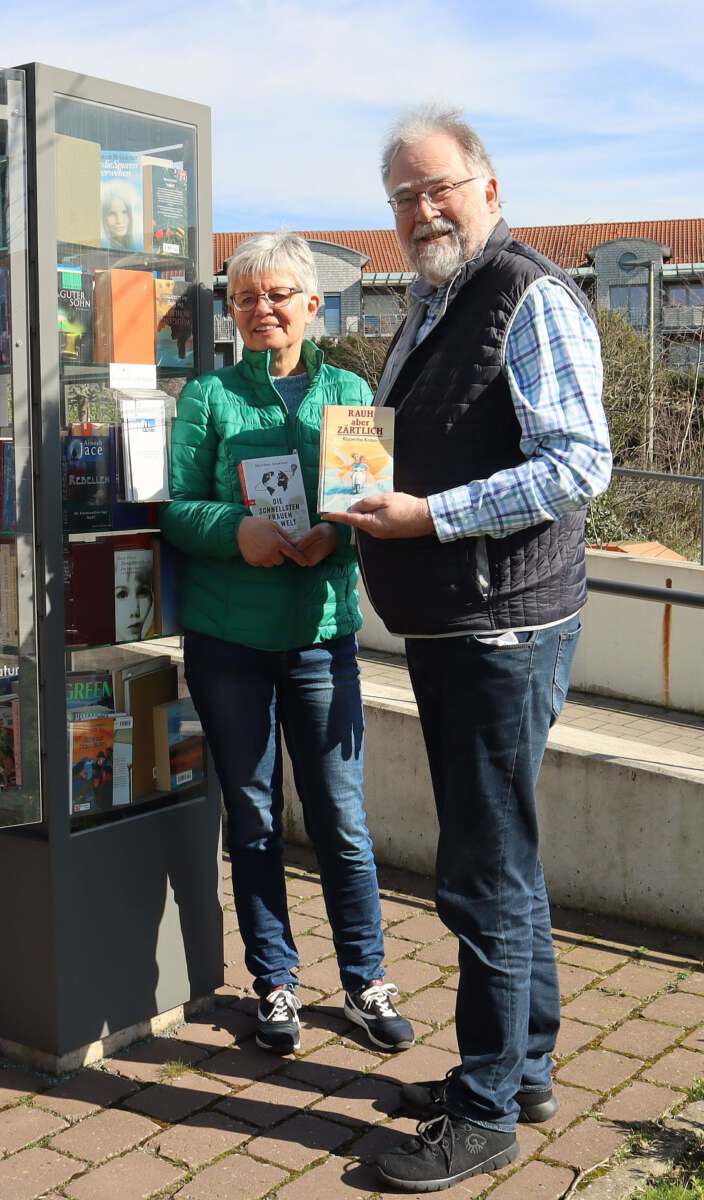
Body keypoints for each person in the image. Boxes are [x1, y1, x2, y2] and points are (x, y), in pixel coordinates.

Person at [326, 109, 611, 1193]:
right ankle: (520, 1073)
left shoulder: (528, 294)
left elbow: (580, 464)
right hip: (460, 623)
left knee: (481, 874)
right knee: (505, 862)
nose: (420, 211)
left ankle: (487, 1109)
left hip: (503, 626)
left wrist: (430, 518)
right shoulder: (433, 299)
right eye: (401, 198)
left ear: (487, 185)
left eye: (437, 187)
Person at [160, 231, 415, 1058]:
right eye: (245, 297)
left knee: (341, 817)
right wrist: (240, 533)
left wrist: (333, 542)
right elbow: (178, 508)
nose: (261, 309)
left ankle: (366, 977)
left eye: (277, 296)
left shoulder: (347, 389)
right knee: (256, 816)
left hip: (318, 639)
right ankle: (275, 982)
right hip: (228, 640)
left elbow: (369, 504)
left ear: (312, 304)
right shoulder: (208, 397)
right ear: (231, 310)